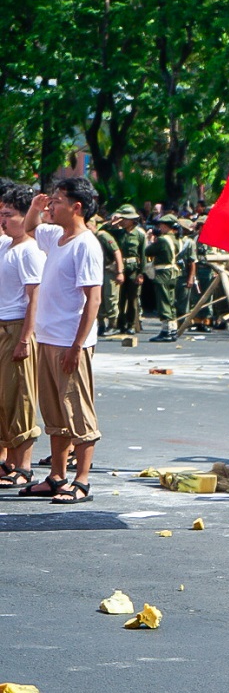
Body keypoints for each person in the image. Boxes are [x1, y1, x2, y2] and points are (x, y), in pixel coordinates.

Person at [18, 178, 103, 503]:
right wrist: (37, 209)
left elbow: (92, 300)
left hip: (70, 342)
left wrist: (77, 346)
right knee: (54, 412)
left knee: (78, 411)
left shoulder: (86, 244)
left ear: (76, 207)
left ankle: (81, 480)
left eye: (56, 201)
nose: (51, 206)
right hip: (48, 339)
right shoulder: (56, 236)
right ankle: (56, 475)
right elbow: (30, 229)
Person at [0, 184, 45, 489]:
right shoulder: (6, 246)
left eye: (9, 215)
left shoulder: (29, 250)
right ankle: (10, 461)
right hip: (3, 326)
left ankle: (24, 466)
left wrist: (25, 340)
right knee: (4, 398)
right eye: (1, 214)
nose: (4, 220)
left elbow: (34, 299)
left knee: (21, 397)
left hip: (18, 327)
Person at [109, 204, 145, 334]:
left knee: (132, 299)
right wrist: (112, 222)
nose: (123, 221)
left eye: (125, 218)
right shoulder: (119, 233)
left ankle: (131, 324)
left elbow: (143, 255)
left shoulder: (139, 235)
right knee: (120, 298)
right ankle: (120, 324)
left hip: (133, 269)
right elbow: (102, 232)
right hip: (121, 268)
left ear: (132, 220)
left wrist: (141, 273)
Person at [145, 214, 180, 342]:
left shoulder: (163, 240)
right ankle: (173, 329)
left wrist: (150, 239)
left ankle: (166, 331)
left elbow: (148, 251)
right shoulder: (176, 240)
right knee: (171, 302)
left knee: (163, 302)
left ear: (165, 226)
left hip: (163, 272)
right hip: (173, 272)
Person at [93, 215, 123, 337]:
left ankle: (112, 325)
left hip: (109, 270)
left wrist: (120, 271)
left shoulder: (103, 235)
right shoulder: (89, 237)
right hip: (98, 270)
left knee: (110, 297)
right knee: (99, 298)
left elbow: (116, 251)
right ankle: (101, 324)